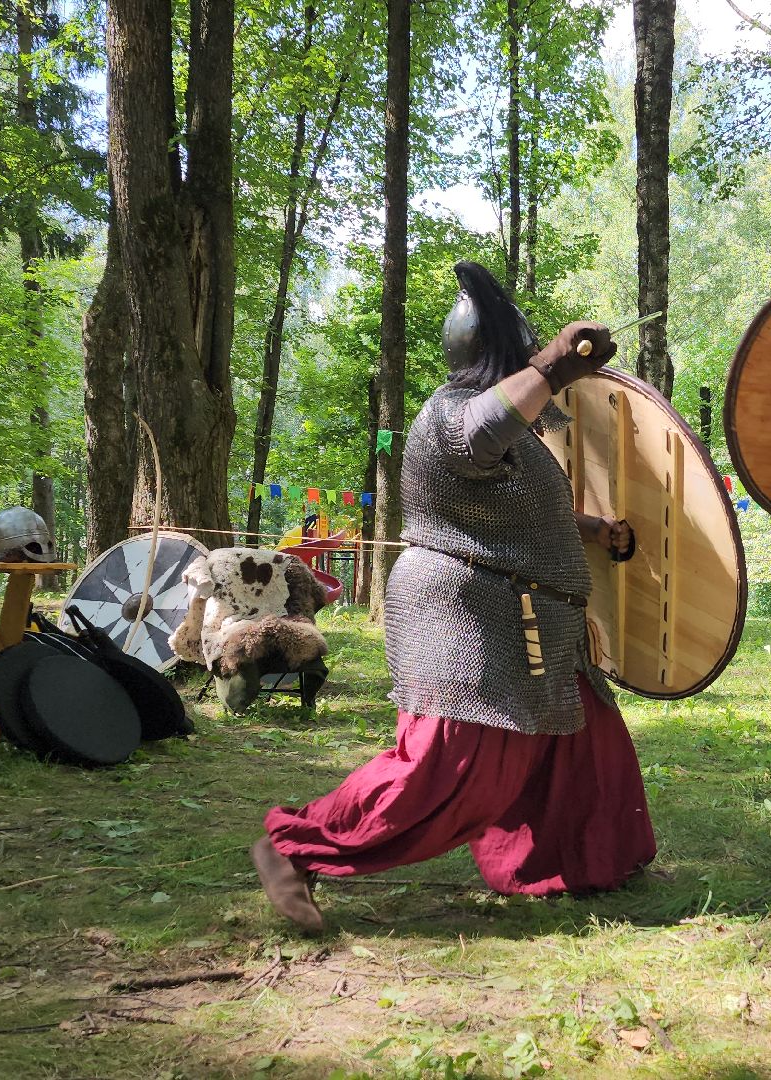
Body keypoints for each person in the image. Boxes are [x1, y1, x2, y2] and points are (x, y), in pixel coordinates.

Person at [250, 261, 656, 932]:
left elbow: (511, 510)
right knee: (448, 767)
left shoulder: (519, 437)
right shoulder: (449, 414)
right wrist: (554, 367)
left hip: (534, 621)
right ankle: (291, 849)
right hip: (470, 618)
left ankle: (587, 864)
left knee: (589, 749)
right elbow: (477, 438)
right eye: (524, 356)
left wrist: (592, 529)